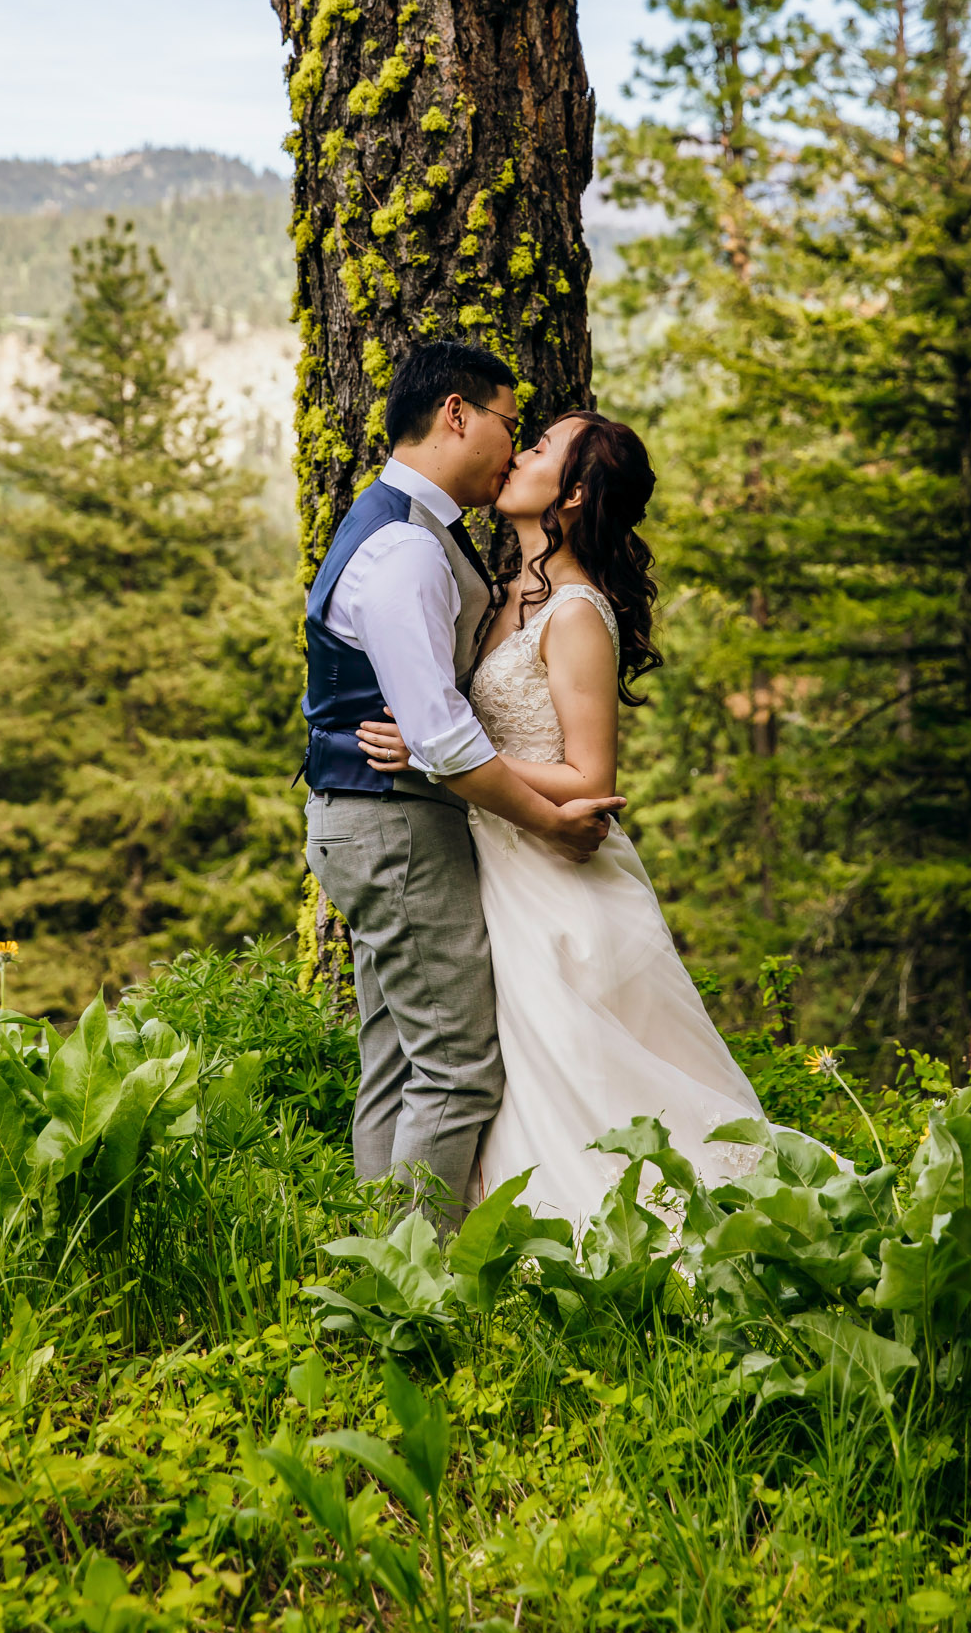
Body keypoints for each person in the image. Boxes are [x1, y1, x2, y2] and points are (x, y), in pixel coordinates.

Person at [356, 410, 766, 1226]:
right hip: (493, 863)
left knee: (577, 1073)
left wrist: (442, 754)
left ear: (573, 493)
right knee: (510, 1071)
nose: (519, 451)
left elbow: (589, 775)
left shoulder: (576, 611)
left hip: (554, 877)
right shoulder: (504, 591)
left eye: (540, 448)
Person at [301, 341, 622, 1227]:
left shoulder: (409, 530)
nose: (512, 449)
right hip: (391, 826)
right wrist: (551, 824)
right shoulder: (404, 548)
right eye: (508, 426)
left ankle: (379, 1259)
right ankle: (411, 1281)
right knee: (454, 1065)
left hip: (374, 823)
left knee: (400, 1059)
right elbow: (440, 738)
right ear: (455, 414)